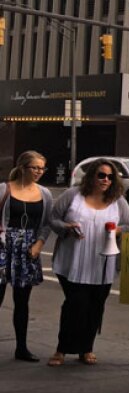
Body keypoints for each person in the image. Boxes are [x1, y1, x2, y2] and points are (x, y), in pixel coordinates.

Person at [47, 158, 129, 366]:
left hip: (102, 264)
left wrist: (116, 230)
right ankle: (62, 349)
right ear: (92, 176)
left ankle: (86, 348)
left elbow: (128, 226)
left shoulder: (118, 200)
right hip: (72, 261)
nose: (106, 180)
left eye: (110, 177)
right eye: (101, 175)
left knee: (95, 306)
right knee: (75, 305)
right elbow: (53, 219)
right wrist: (67, 227)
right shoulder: (73, 195)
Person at [0, 151, 54, 362]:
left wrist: (39, 244)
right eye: (35, 168)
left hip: (28, 248)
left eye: (42, 168)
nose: (39, 172)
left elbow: (47, 222)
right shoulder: (4, 189)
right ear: (23, 167)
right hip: (4, 247)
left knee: (22, 301)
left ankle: (21, 347)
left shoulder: (45, 193)